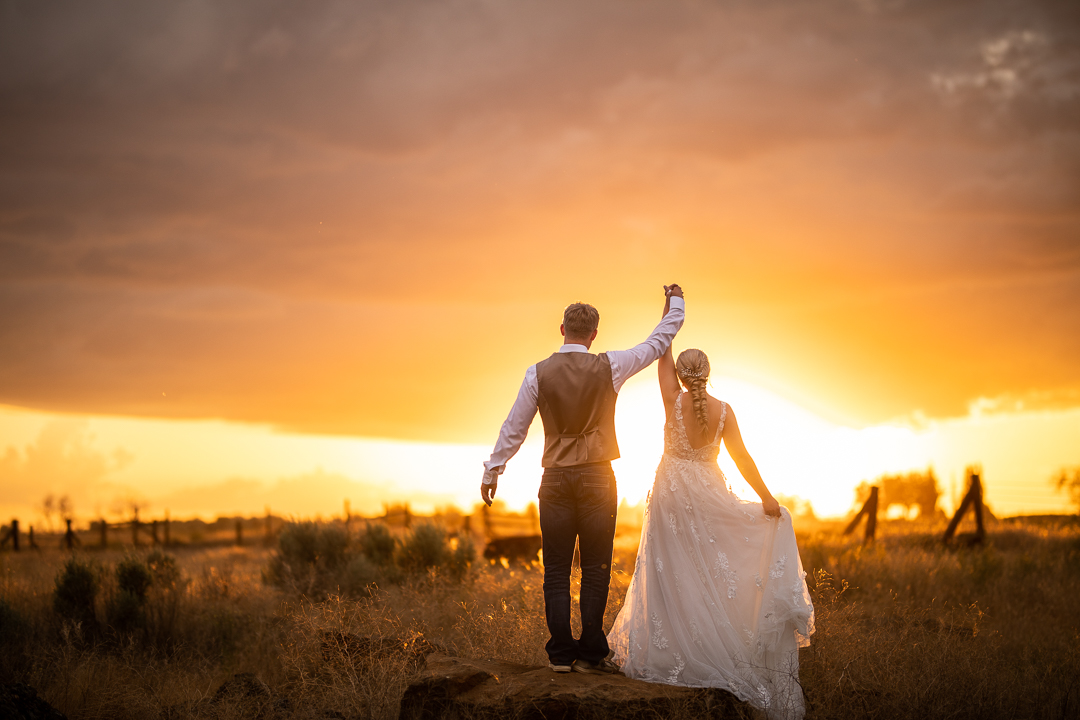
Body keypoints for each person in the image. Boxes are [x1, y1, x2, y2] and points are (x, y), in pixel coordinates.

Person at [606, 331, 815, 718]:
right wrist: (766, 497)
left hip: (671, 493)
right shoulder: (724, 410)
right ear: (707, 373)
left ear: (683, 377)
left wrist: (669, 320)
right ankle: (711, 649)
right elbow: (743, 459)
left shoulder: (672, 400)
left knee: (671, 575)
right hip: (709, 493)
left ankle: (677, 653)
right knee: (708, 573)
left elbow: (660, 361)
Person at [482, 285, 686, 675]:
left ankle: (560, 654)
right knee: (595, 568)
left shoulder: (536, 373)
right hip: (597, 478)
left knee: (556, 570)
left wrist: (493, 469)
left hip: (555, 480)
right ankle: (592, 654)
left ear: (562, 329)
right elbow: (659, 341)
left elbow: (515, 427)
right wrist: (675, 302)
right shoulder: (610, 365)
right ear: (594, 334)